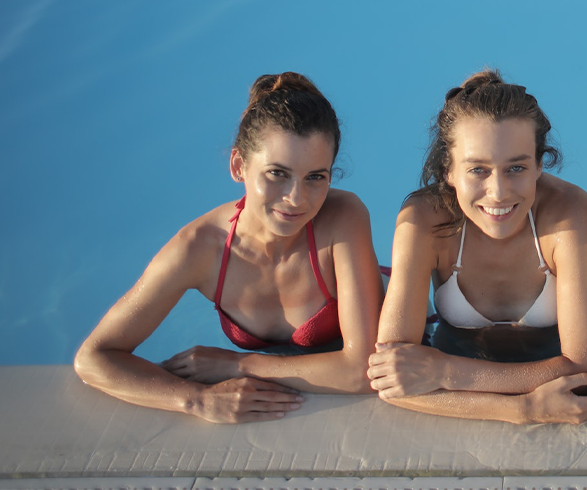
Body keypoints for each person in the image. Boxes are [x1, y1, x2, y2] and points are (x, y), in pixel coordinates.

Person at [74, 73, 382, 424]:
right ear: (239, 166)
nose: (297, 199)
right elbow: (94, 357)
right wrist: (195, 400)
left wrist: (238, 365)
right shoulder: (200, 248)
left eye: (316, 177)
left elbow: (361, 371)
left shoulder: (343, 217)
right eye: (277, 173)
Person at [367, 70, 587, 424]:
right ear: (448, 171)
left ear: (540, 164)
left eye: (516, 168)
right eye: (478, 170)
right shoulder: (424, 222)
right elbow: (390, 377)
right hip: (482, 386)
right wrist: (521, 409)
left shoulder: (568, 213)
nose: (498, 192)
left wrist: (445, 372)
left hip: (452, 380)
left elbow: (584, 367)